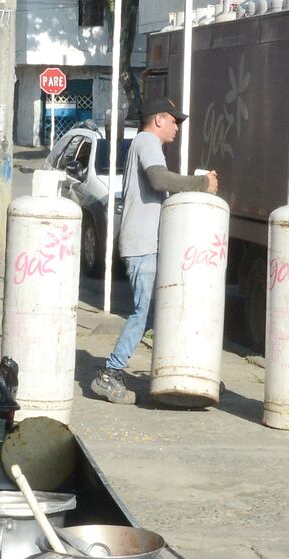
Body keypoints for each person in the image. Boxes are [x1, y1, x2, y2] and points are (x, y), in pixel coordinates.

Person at [90, 96, 218, 404]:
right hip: (142, 245)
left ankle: (185, 372)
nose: (177, 127)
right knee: (142, 313)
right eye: (174, 121)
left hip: (148, 244)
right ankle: (109, 374)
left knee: (162, 311)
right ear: (158, 119)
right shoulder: (147, 141)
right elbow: (159, 179)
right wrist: (201, 183)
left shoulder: (146, 144)